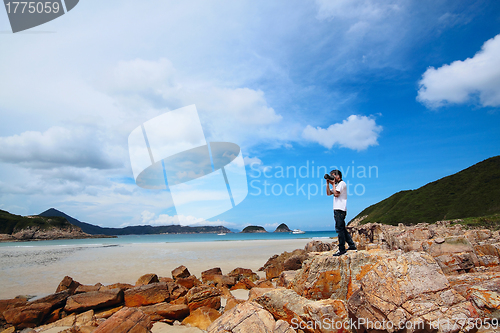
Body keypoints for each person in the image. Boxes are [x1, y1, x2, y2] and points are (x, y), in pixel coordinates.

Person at [326, 169, 357, 256]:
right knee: (343, 229)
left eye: (333, 175)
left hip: (340, 209)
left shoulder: (341, 184)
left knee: (339, 229)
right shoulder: (337, 185)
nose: (332, 177)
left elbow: (336, 194)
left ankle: (341, 249)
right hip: (338, 209)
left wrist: (333, 184)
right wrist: (328, 183)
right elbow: (328, 193)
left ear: (338, 176)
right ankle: (352, 246)